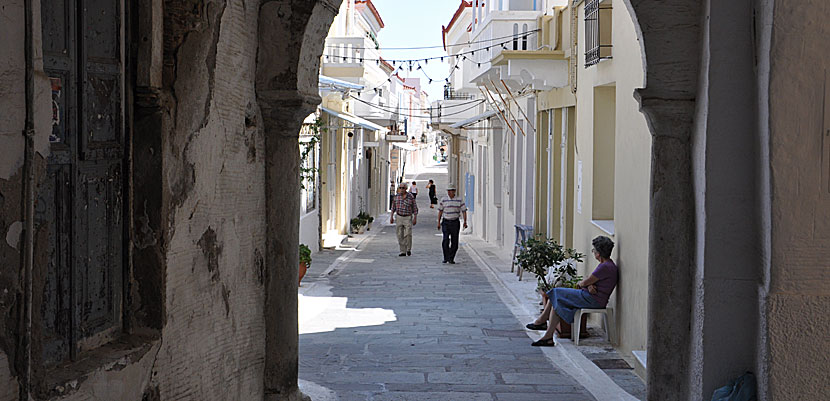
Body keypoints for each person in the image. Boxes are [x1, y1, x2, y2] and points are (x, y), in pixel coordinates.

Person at [525, 236, 618, 346]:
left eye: (594, 250)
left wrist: (587, 284)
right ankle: (547, 335)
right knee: (557, 300)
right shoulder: (607, 265)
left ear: (598, 253)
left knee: (556, 292)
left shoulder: (605, 267)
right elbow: (589, 279)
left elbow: (582, 282)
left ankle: (541, 322)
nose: (593, 253)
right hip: (590, 297)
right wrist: (589, 284)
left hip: (592, 299)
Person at [436, 184, 467, 264]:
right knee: (445, 240)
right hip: (446, 222)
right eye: (448, 191)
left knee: (455, 241)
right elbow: (440, 211)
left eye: (451, 191)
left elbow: (464, 211)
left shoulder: (459, 200)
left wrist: (465, 222)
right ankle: (446, 257)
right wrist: (438, 222)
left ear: (454, 191)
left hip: (455, 222)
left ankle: (451, 258)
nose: (449, 192)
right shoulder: (444, 200)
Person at [390, 182, 418, 256]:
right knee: (399, 234)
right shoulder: (396, 197)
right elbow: (393, 208)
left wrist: (415, 217)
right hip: (399, 217)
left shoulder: (410, 196)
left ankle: (408, 248)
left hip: (408, 217)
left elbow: (415, 208)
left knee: (408, 233)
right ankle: (403, 250)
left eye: (403, 188)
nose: (401, 189)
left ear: (406, 189)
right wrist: (391, 217)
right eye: (400, 188)